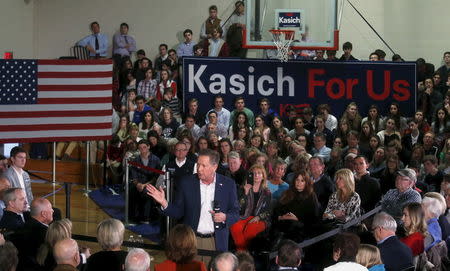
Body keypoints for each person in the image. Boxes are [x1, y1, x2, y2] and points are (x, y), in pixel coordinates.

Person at [146, 149, 239, 256]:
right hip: (191, 240)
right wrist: (164, 203)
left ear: (215, 167)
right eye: (198, 165)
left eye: (204, 166)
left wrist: (225, 217)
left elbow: (235, 213)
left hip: (216, 241)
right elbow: (178, 212)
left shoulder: (228, 184)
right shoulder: (186, 182)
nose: (199, 169)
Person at [230, 165, 271, 251]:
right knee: (234, 226)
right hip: (244, 216)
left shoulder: (267, 192)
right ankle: (243, 253)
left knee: (250, 229)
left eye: (259, 173)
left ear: (263, 176)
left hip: (260, 219)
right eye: (253, 173)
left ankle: (243, 254)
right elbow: (238, 208)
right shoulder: (242, 189)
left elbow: (268, 211)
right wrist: (245, 193)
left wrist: (258, 217)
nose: (256, 175)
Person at [273, 171, 320, 243]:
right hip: (283, 222)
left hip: (301, 227)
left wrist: (297, 218)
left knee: (293, 225)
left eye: (302, 181)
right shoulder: (288, 192)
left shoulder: (311, 196)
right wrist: (281, 217)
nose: (299, 183)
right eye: (297, 180)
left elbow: (314, 217)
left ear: (306, 182)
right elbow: (277, 209)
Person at [129, 140, 161, 223]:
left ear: (148, 147)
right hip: (138, 183)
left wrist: (144, 185)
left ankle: (146, 217)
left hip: (150, 183)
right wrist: (138, 184)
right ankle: (133, 216)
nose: (142, 149)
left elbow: (156, 177)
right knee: (131, 190)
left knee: (146, 191)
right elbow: (134, 175)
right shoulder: (135, 160)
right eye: (140, 148)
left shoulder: (156, 160)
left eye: (144, 147)